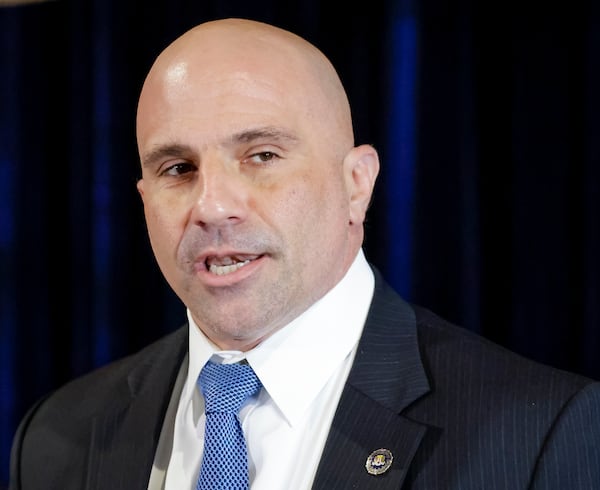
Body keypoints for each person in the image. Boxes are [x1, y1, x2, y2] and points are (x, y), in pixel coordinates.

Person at [8, 17, 600, 490]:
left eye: (262, 155)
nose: (212, 206)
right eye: (178, 168)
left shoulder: (541, 434)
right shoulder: (57, 436)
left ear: (356, 184)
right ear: (143, 200)